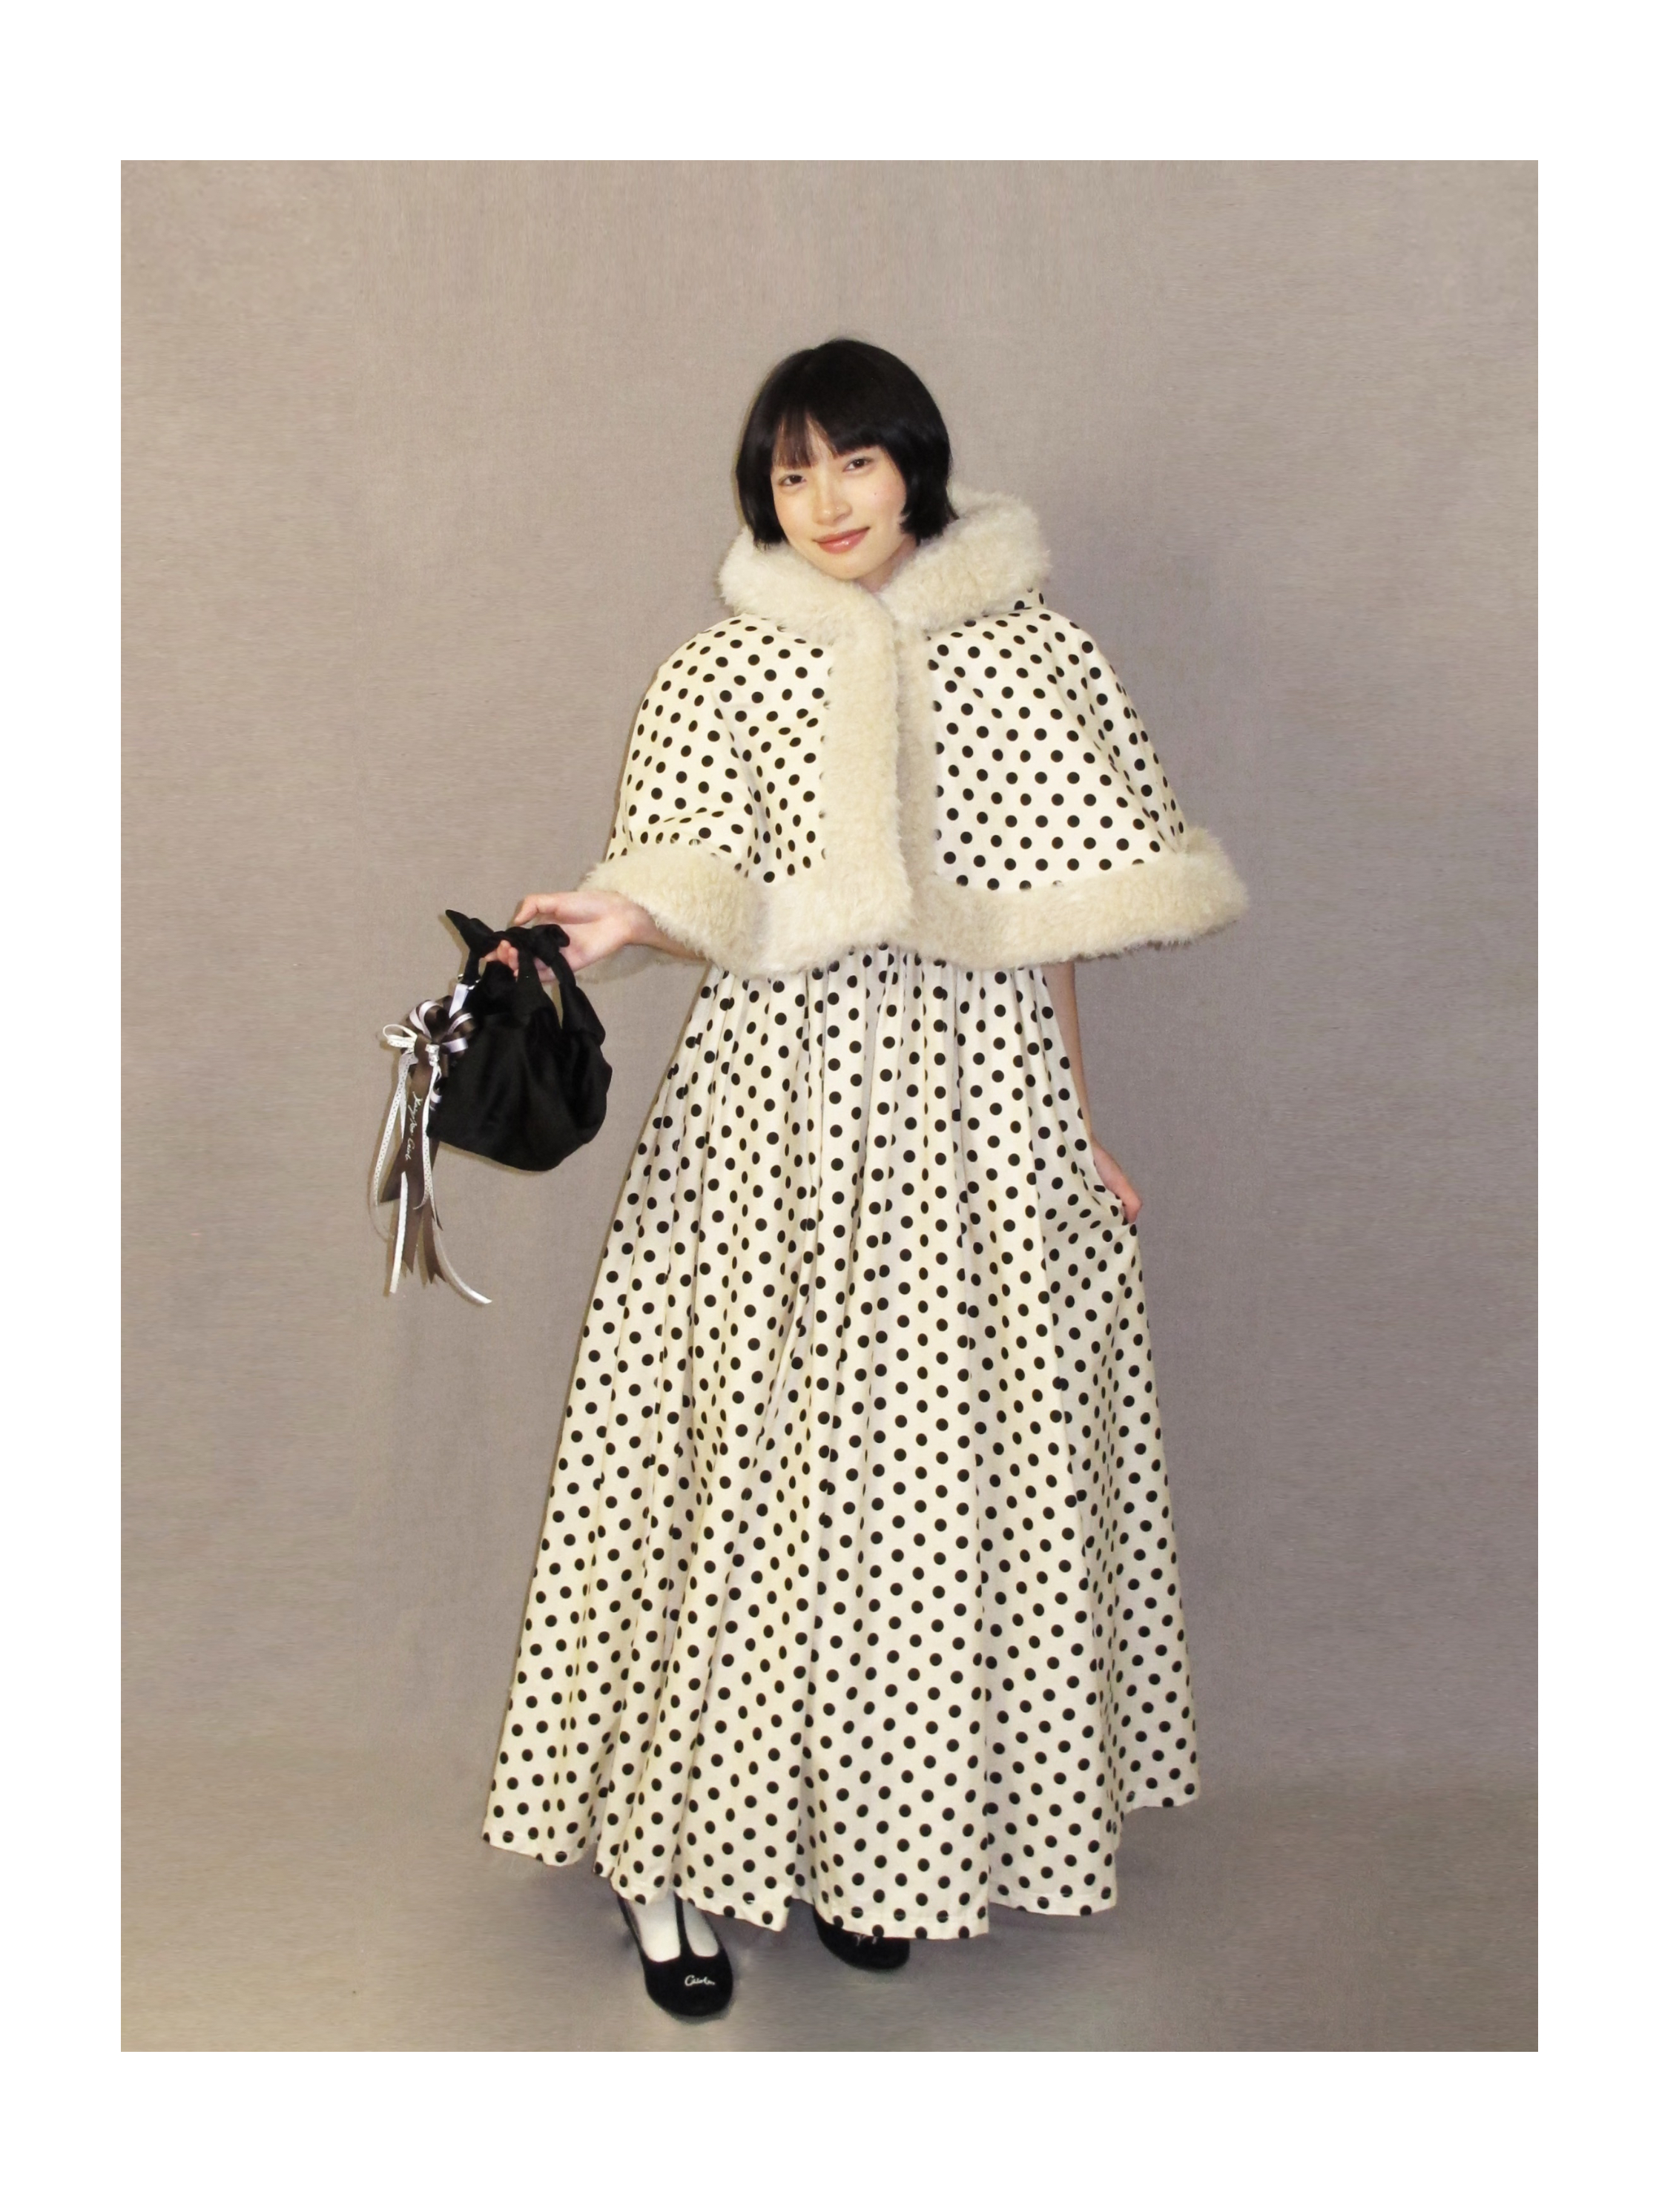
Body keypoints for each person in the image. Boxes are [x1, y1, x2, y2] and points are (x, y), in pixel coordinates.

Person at [481, 338, 1247, 2019]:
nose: (824, 503)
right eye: (790, 473)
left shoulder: (1038, 656)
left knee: (926, 1487)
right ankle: (665, 1863)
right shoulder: (720, 670)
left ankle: (871, 1845)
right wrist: (615, 917)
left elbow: (1052, 922)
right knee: (727, 1480)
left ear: (916, 465)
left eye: (854, 463)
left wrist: (1080, 1126)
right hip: (775, 1120)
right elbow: (683, 873)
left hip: (976, 1121)